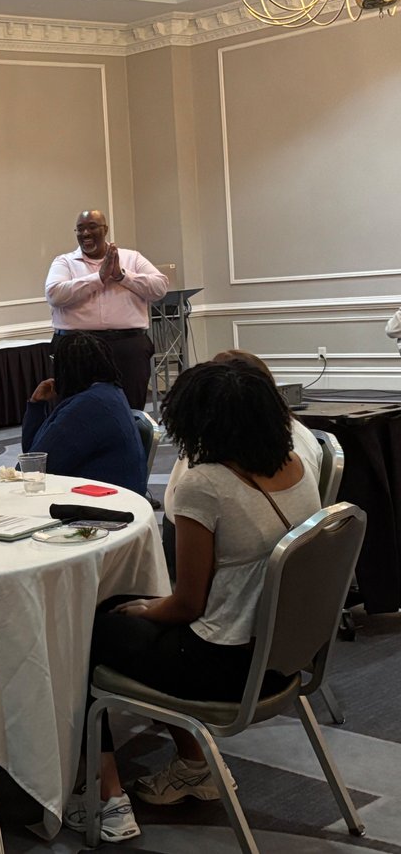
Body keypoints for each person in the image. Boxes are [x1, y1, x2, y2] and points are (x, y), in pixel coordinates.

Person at [65, 360, 320, 843]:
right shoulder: (297, 466)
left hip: (223, 664)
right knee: (126, 613)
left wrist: (145, 609)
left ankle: (105, 797)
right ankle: (190, 764)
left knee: (85, 632)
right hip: (281, 654)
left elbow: (187, 606)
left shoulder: (205, 484)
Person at [160, 348, 322, 579]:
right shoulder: (294, 457)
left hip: (229, 602)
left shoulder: (204, 480)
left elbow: (187, 607)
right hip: (290, 589)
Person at [45, 210, 168, 409]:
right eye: (80, 229)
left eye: (92, 227)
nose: (85, 233)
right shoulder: (64, 262)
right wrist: (99, 278)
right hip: (76, 347)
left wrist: (121, 276)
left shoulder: (132, 258)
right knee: (77, 410)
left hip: (127, 346)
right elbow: (55, 295)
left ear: (105, 230)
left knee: (130, 409)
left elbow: (160, 287)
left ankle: (130, 440)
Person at [21, 333, 147, 494]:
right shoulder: (109, 392)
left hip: (103, 505)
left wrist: (36, 408)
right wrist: (37, 404)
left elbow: (34, 469)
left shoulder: (88, 407)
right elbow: (33, 456)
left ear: (65, 369)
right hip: (114, 496)